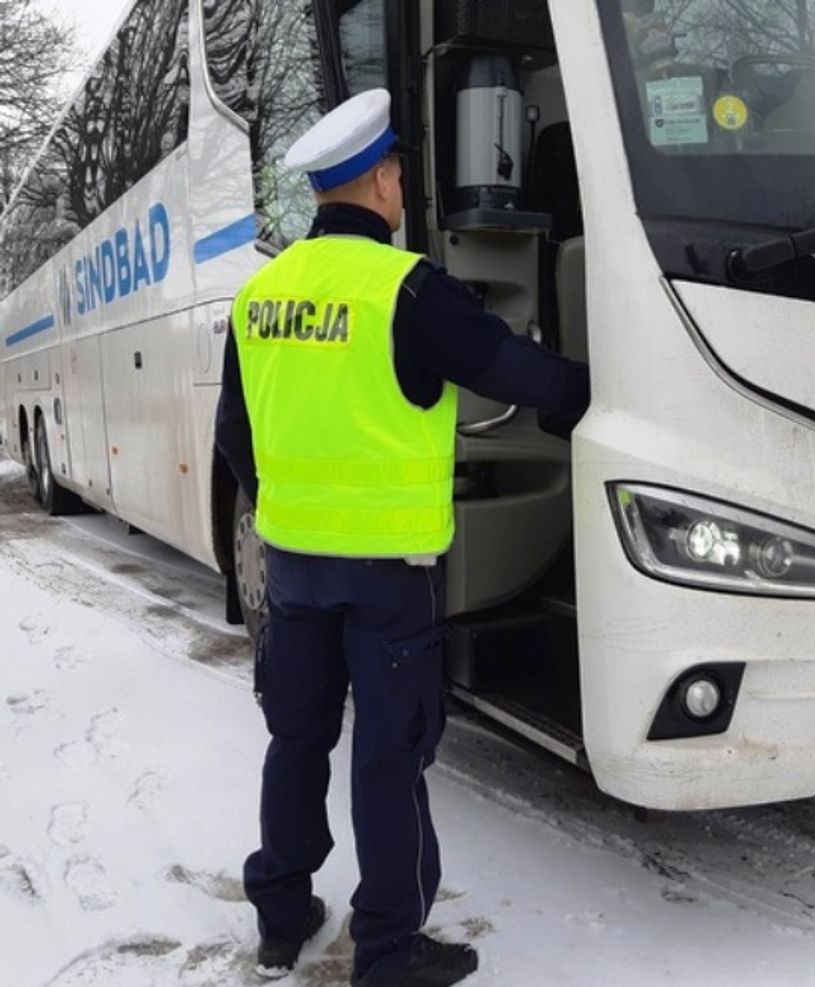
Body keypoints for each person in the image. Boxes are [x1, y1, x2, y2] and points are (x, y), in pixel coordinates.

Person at [214, 88, 589, 987]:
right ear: (381, 181)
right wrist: (590, 388)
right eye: (396, 174)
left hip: (295, 568)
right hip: (388, 578)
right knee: (390, 754)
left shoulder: (260, 295)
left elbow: (237, 434)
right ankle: (387, 947)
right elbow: (509, 367)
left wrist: (287, 508)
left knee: (296, 739)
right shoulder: (407, 289)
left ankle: (279, 910)